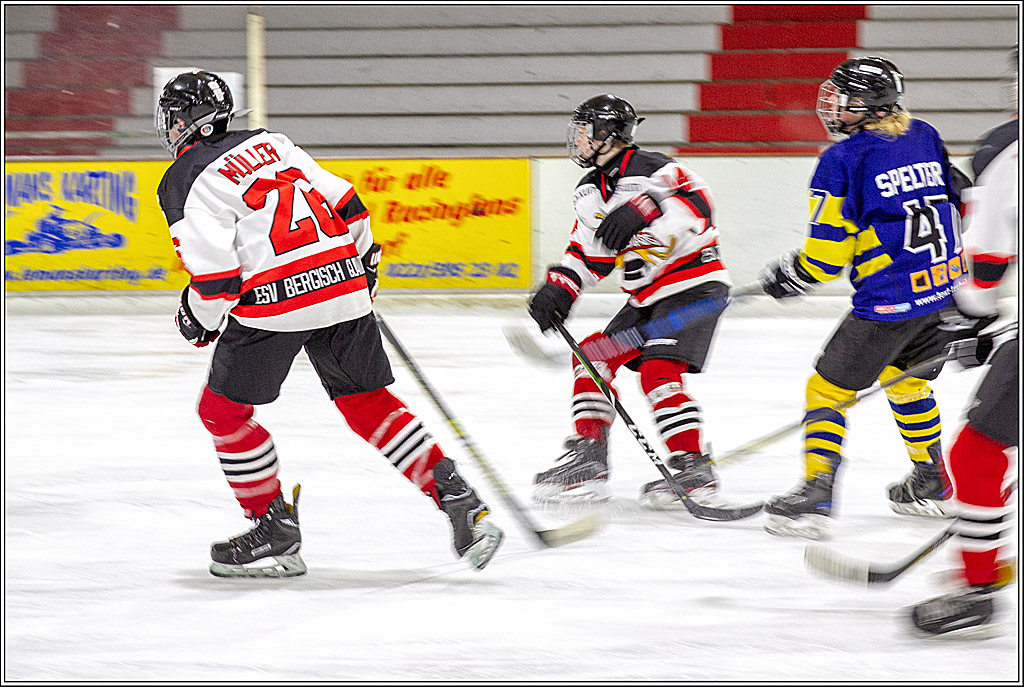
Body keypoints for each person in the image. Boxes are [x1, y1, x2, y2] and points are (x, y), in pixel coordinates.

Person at [154, 70, 503, 577]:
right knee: (367, 402)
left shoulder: (183, 178)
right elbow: (349, 204)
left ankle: (272, 527)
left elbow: (217, 279)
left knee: (222, 412)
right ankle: (459, 500)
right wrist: (362, 273)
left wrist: (195, 317)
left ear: (183, 121)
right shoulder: (270, 142)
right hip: (343, 283)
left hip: (274, 301)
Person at [757, 56, 977, 539]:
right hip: (943, 294)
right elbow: (956, 196)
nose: (832, 104)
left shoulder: (841, 160)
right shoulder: (923, 133)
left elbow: (826, 259)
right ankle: (931, 479)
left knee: (827, 391)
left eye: (842, 96)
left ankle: (816, 493)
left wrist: (791, 275)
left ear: (866, 104)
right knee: (908, 383)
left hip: (889, 301)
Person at [527, 94, 732, 508]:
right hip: (647, 298)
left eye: (585, 132)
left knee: (658, 369)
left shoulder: (653, 169)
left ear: (607, 134)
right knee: (592, 355)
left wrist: (646, 206)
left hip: (695, 287)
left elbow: (700, 203)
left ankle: (693, 467)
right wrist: (560, 289)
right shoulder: (590, 191)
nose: (579, 140)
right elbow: (589, 254)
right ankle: (589, 458)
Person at [908, 45, 1018, 638]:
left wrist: (973, 320)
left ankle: (978, 584)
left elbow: (989, 261)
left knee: (977, 452)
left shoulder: (1010, 151)